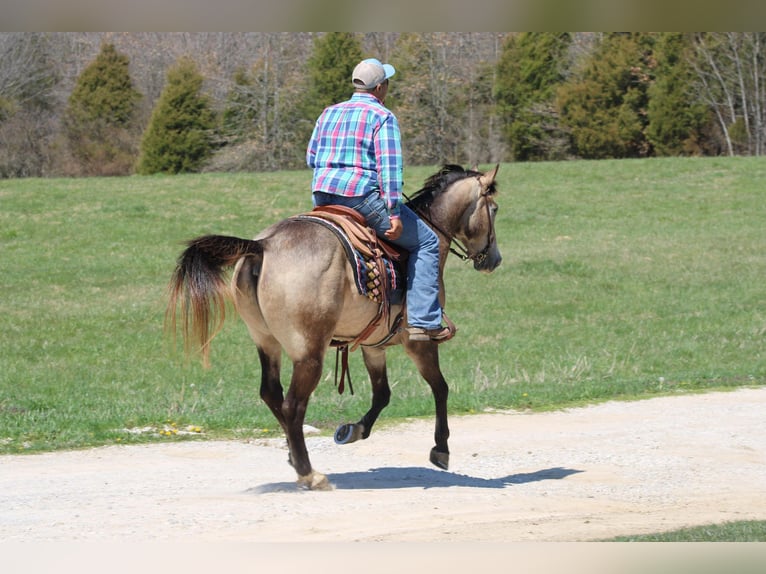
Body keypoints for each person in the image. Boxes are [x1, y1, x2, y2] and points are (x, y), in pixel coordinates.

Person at [306, 57, 453, 342]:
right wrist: (394, 213)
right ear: (380, 87)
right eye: (387, 82)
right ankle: (424, 321)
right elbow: (390, 169)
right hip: (361, 198)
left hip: (323, 197)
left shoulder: (328, 112)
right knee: (427, 242)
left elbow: (311, 157)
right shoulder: (382, 116)